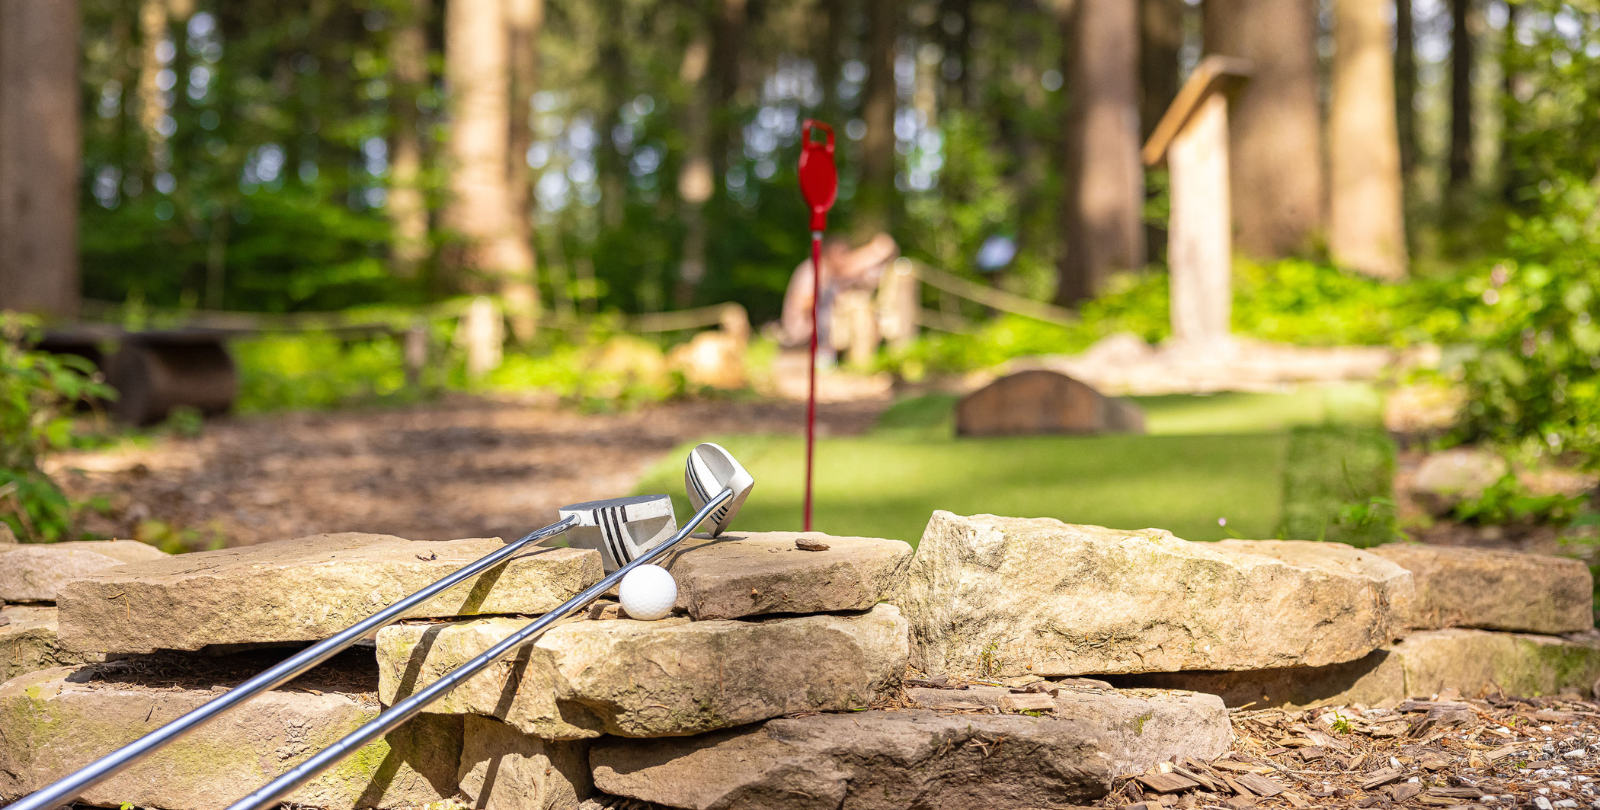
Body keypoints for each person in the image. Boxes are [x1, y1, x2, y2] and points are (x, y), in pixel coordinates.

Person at [780, 234, 898, 364]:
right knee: (832, 301)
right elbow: (804, 302)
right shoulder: (814, 269)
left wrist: (875, 252)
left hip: (815, 332)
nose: (845, 257)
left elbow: (853, 267)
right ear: (830, 253)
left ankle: (853, 357)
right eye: (842, 253)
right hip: (804, 331)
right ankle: (826, 354)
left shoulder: (830, 271)